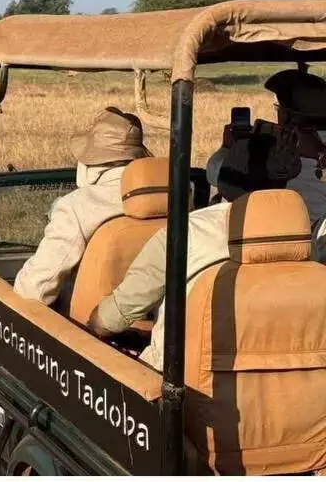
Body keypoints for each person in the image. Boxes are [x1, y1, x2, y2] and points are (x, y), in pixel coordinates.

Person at [88, 120, 302, 370]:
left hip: (185, 381)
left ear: (223, 180)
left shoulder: (187, 232)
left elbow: (114, 318)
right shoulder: (301, 236)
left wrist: (92, 324)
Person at [13, 107, 151, 305]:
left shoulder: (76, 207)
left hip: (88, 326)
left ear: (88, 162)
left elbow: (35, 290)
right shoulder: (172, 201)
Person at [265, 67, 326, 261]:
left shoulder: (275, 161)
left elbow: (219, 177)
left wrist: (228, 147)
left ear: (287, 116)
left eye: (278, 109)